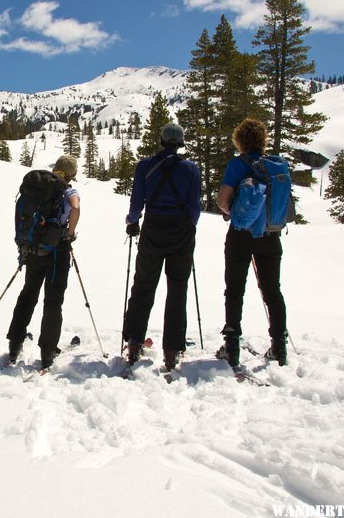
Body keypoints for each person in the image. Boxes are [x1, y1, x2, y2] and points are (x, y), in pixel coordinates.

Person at [122, 123, 202, 370]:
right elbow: (195, 205)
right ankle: (172, 349)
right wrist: (190, 227)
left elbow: (137, 202)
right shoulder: (190, 169)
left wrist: (132, 221)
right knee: (178, 289)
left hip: (153, 228)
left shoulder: (145, 166)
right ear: (180, 143)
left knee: (144, 284)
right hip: (181, 230)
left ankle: (134, 342)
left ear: (161, 140)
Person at [216, 117, 288, 368]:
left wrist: (231, 212)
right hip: (270, 236)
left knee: (235, 289)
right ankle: (279, 345)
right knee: (272, 290)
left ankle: (232, 344)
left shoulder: (237, 165)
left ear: (240, 140)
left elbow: (223, 201)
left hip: (240, 235)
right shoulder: (277, 164)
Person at [7, 155, 81, 369]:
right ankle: (48, 352)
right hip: (57, 252)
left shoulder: (39, 187)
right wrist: (69, 233)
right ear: (71, 174)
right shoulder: (68, 191)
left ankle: (15, 343)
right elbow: (75, 208)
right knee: (53, 300)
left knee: (28, 294)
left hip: (35, 249)